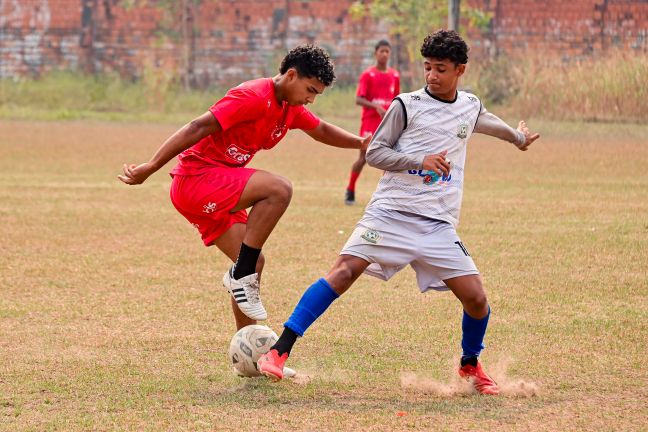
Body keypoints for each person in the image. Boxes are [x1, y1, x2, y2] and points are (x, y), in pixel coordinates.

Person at [257, 30, 540, 395]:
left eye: (440, 68)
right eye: (427, 67)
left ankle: (470, 365)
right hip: (390, 214)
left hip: (437, 224)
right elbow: (375, 152)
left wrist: (518, 139)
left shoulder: (469, 106)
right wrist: (417, 160)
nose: (432, 75)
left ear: (460, 70)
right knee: (343, 272)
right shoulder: (406, 105)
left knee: (477, 298)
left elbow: (488, 122)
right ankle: (278, 352)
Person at [118, 45, 371, 333]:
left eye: (316, 94)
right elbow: (197, 126)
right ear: (291, 75)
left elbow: (321, 129)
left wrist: (361, 143)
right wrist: (151, 166)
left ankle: (247, 348)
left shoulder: (290, 108)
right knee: (279, 189)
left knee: (254, 262)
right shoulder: (252, 95)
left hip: (217, 186)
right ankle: (241, 275)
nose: (311, 99)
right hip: (197, 181)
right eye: (310, 90)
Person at [345, 39, 400, 205]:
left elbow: (397, 99)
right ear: (376, 53)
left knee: (388, 160)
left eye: (387, 51)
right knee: (363, 158)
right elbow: (358, 99)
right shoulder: (368, 75)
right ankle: (350, 190)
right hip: (369, 122)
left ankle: (385, 196)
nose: (384, 54)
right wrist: (375, 106)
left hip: (387, 123)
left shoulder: (394, 75)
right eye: (381, 51)